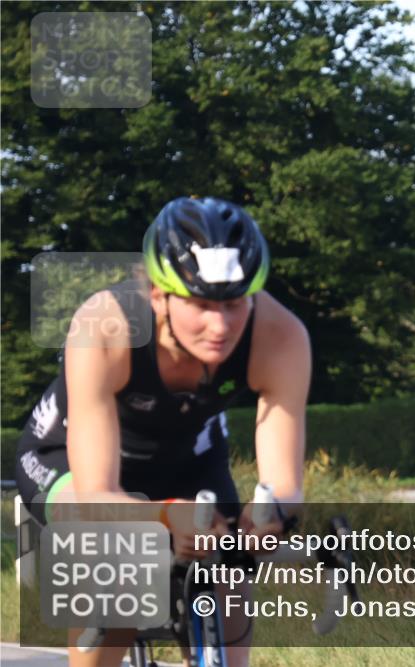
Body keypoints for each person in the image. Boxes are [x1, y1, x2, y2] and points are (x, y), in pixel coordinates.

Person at [15, 196, 311, 667]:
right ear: (158, 295)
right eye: (199, 304)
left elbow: (284, 482)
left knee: (231, 570)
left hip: (187, 459)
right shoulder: (105, 324)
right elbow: (97, 498)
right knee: (120, 563)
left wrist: (270, 514)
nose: (220, 325)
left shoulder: (281, 336)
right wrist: (161, 518)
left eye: (235, 304)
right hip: (68, 461)